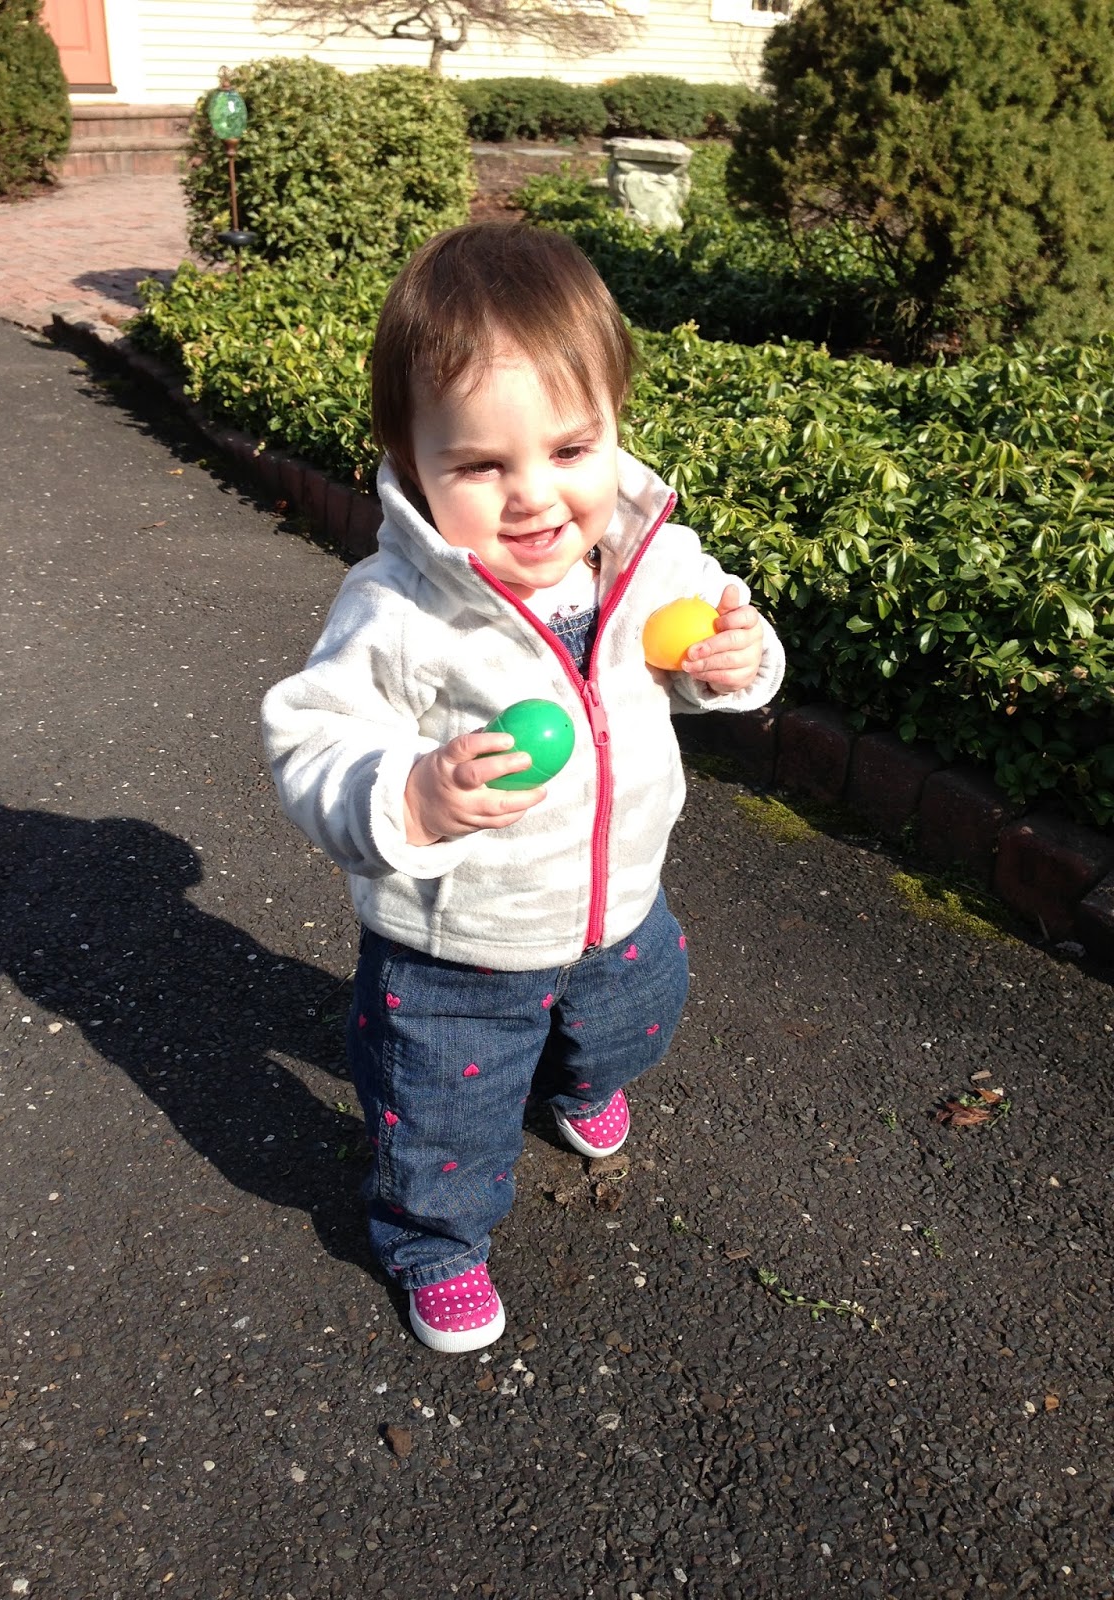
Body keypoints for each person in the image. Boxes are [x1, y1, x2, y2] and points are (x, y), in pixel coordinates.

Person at [261, 222, 785, 1353]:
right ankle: (433, 1241)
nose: (535, 497)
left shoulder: (651, 562)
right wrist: (412, 796)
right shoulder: (400, 607)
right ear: (411, 462)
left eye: (570, 448)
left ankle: (577, 1078)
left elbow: (717, 648)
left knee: (634, 1023)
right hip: (459, 942)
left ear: (615, 424)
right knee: (439, 1110)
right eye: (482, 466)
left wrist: (734, 661)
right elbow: (309, 736)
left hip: (620, 905)